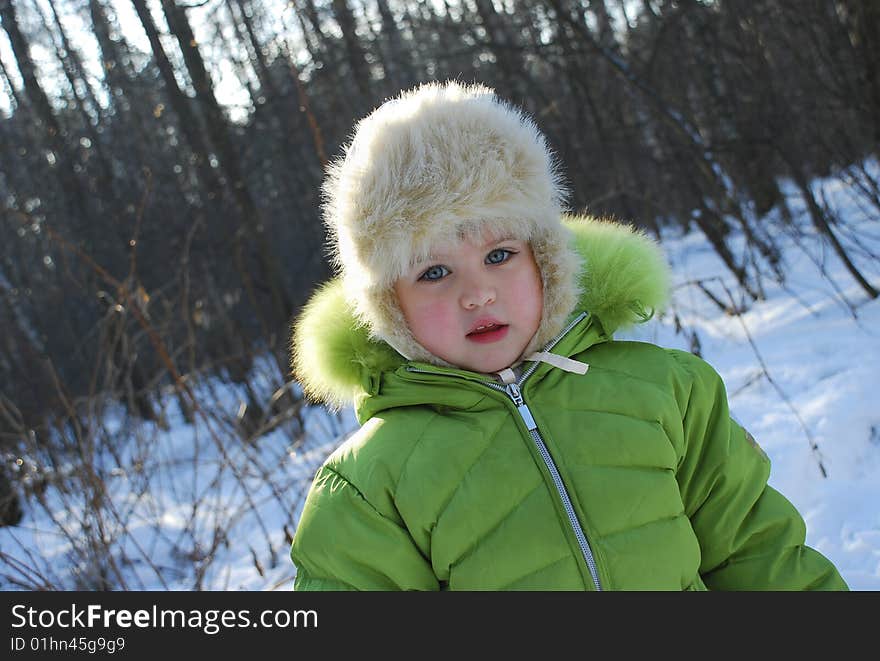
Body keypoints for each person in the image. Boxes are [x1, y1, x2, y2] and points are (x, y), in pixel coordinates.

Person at [288, 80, 847, 590]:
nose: (477, 293)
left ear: (546, 260)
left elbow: (758, 554)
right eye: (434, 272)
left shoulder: (664, 392)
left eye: (499, 254)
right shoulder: (369, 488)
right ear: (389, 305)